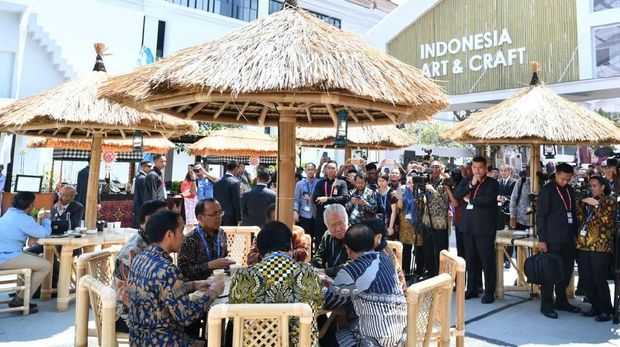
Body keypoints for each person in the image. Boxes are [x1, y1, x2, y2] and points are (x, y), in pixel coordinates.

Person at [127, 210, 225, 346]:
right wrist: (213, 292)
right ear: (169, 235)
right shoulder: (166, 269)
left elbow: (159, 292)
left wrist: (194, 285)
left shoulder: (139, 258)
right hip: (165, 342)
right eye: (181, 231)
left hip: (137, 340)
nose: (184, 237)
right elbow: (187, 316)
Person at [229, 221, 324, 346]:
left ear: (260, 250)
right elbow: (318, 305)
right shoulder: (308, 272)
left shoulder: (242, 276)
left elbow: (232, 315)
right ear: (290, 245)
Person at [323, 223, 407, 347]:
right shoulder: (386, 260)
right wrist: (337, 285)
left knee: (326, 340)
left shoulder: (351, 271)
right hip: (400, 338)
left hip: (373, 342)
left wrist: (329, 286)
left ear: (348, 249)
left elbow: (327, 302)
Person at [112, 199, 167, 333]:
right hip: (126, 316)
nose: (168, 221)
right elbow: (126, 297)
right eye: (164, 217)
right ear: (148, 219)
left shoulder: (152, 242)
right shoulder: (132, 251)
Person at [536, 162, 581, 319]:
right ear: (556, 174)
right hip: (552, 238)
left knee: (566, 271)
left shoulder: (569, 190)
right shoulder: (547, 190)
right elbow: (540, 216)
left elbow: (573, 213)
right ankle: (546, 305)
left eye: (568, 179)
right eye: (562, 178)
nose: (565, 182)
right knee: (550, 272)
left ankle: (561, 300)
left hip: (568, 237)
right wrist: (542, 239)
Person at [454, 156, 500, 304]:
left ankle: (489, 291)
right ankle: (472, 288)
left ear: (485, 167)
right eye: (474, 167)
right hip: (467, 226)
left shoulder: (492, 183)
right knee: (470, 259)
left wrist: (471, 200)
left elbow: (487, 199)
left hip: (484, 228)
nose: (477, 170)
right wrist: (470, 185)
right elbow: (456, 195)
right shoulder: (467, 180)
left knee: (486, 260)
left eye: (480, 167)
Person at [0, 192, 52, 313]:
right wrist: (46, 220)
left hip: (7, 253)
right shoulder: (24, 219)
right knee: (45, 265)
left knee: (34, 258)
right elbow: (44, 233)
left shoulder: (9, 213)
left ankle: (21, 294)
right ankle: (21, 299)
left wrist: (31, 234)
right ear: (30, 205)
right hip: (5, 257)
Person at [575, 175, 615, 322]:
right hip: (584, 245)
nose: (592, 188)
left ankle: (606, 309)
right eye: (590, 186)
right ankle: (595, 306)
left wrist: (596, 205)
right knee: (586, 277)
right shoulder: (588, 201)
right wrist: (581, 203)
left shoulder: (609, 201)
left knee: (599, 277)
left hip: (601, 246)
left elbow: (607, 221)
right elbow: (579, 219)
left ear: (602, 187)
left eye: (594, 186)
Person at [178, 198, 235, 282]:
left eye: (220, 213)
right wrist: (209, 265)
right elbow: (183, 271)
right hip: (198, 289)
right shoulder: (189, 239)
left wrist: (228, 263)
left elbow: (224, 255)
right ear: (200, 217)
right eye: (214, 214)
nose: (219, 217)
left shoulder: (222, 234)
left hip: (220, 283)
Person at [420, 160, 458, 277]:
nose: (435, 170)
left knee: (441, 250)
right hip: (427, 220)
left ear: (441, 168)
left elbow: (446, 200)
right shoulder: (426, 181)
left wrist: (433, 190)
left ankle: (441, 275)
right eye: (433, 167)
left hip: (440, 222)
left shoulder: (445, 182)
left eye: (437, 167)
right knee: (428, 250)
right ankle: (431, 273)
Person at [313, 160, 349, 248]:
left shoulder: (341, 183)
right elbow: (315, 199)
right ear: (325, 170)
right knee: (320, 241)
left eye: (333, 168)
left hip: (337, 218)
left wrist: (327, 199)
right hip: (322, 217)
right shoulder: (320, 183)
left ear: (336, 170)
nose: (330, 170)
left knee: (338, 241)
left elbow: (344, 198)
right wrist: (330, 200)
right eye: (328, 168)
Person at [312, 204, 349, 277]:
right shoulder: (327, 235)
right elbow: (319, 256)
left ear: (347, 220)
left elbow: (352, 265)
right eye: (333, 225)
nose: (338, 229)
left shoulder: (356, 236)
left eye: (341, 223)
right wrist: (313, 268)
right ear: (327, 226)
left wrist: (325, 272)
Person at [397, 174, 421, 276]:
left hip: (417, 222)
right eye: (408, 181)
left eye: (412, 181)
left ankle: (418, 270)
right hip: (405, 222)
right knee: (406, 248)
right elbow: (400, 206)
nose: (410, 183)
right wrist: (400, 197)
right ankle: (405, 271)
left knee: (419, 247)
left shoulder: (420, 190)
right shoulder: (400, 189)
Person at [498, 164, 517, 269]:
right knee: (500, 236)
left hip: (510, 213)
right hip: (500, 213)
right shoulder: (498, 182)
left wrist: (505, 198)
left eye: (505, 170)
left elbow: (515, 197)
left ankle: (508, 259)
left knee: (510, 236)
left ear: (510, 171)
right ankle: (501, 258)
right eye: (501, 171)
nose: (503, 173)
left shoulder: (514, 182)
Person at [294, 162, 318, 238]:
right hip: (304, 214)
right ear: (305, 171)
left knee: (316, 237)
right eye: (308, 169)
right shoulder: (299, 184)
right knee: (305, 237)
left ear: (315, 170)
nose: (310, 171)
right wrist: (295, 211)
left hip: (316, 214)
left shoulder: (319, 183)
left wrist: (313, 198)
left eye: (312, 169)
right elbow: (296, 199)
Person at [213, 161, 241, 226]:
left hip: (218, 215)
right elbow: (236, 201)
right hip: (231, 217)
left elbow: (214, 199)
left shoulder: (217, 182)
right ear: (236, 168)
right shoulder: (235, 182)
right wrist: (239, 218)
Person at [377, 173, 398, 239]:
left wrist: (391, 227)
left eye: (383, 181)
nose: (381, 183)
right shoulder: (376, 192)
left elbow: (394, 211)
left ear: (388, 181)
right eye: (379, 181)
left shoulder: (392, 193)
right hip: (379, 221)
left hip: (389, 220)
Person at [132, 160, 152, 228]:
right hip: (141, 206)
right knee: (139, 226)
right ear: (143, 167)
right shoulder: (142, 178)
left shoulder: (141, 177)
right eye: (149, 166)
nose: (150, 168)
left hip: (140, 206)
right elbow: (144, 195)